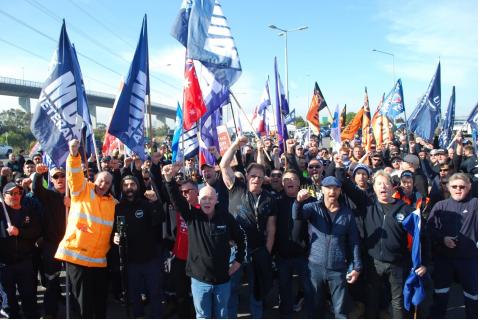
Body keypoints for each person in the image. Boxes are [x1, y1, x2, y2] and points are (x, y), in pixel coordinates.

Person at [163, 163, 246, 319]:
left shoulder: (226, 217)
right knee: (203, 316)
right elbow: (176, 199)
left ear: (216, 200)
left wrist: (238, 262)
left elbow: (241, 240)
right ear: (199, 201)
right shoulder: (192, 216)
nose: (207, 201)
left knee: (222, 314)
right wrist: (169, 180)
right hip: (200, 281)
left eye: (210, 198)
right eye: (204, 198)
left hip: (223, 279)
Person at [55, 139, 116, 318]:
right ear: (94, 179)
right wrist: (74, 155)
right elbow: (74, 175)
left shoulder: (112, 203)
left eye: (108, 183)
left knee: (99, 303)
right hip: (77, 256)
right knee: (83, 304)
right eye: (101, 181)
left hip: (98, 260)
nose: (103, 185)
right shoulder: (83, 190)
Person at [220, 135, 277, 319]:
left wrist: (267, 251)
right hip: (235, 251)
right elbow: (223, 166)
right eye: (253, 176)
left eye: (260, 177)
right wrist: (235, 144)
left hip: (258, 251)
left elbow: (272, 227)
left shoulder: (269, 198)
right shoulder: (236, 187)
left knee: (256, 292)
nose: (256, 179)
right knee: (231, 291)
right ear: (247, 176)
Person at [294, 176, 362, 318]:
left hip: (338, 269)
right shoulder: (313, 208)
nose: (332, 191)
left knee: (340, 311)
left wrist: (357, 267)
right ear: (322, 189)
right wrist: (298, 202)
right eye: (329, 188)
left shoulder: (347, 213)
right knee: (315, 307)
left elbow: (354, 241)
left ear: (340, 191)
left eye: (336, 188)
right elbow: (297, 215)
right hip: (315, 266)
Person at [112, 175, 164, 318]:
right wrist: (115, 237)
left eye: (132, 184)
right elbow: (115, 229)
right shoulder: (118, 207)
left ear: (138, 186)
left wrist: (155, 203)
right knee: (134, 295)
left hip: (150, 258)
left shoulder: (146, 204)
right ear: (122, 188)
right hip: (130, 260)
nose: (129, 188)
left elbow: (159, 219)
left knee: (155, 293)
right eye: (126, 185)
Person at [427, 173, 477, 319]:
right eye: (454, 186)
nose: (458, 189)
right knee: (440, 295)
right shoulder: (440, 206)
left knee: (472, 296)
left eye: (462, 187)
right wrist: (443, 239)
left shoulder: (475, 204)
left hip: (468, 260)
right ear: (448, 188)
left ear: (469, 187)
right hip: (444, 260)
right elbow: (429, 229)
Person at [30, 165, 67, 318]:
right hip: (52, 244)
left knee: (74, 279)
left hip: (73, 243)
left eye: (62, 176)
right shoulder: (48, 195)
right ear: (51, 180)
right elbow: (37, 190)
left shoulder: (75, 194)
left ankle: (79, 310)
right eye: (56, 177)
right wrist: (38, 175)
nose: (60, 179)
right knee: (52, 280)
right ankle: (50, 313)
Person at [0, 182, 41, 318]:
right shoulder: (1, 212)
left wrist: (20, 232)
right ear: (4, 196)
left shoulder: (28, 211)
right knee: (9, 299)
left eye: (18, 193)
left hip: (25, 262)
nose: (16, 196)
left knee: (29, 296)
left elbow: (36, 232)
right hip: (4, 265)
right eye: (12, 193)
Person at [274, 170, 309, 317]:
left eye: (293, 179)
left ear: (299, 183)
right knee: (284, 289)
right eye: (286, 179)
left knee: (309, 288)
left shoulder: (310, 201)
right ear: (282, 184)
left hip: (304, 255)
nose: (290, 181)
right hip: (282, 256)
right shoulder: (276, 201)